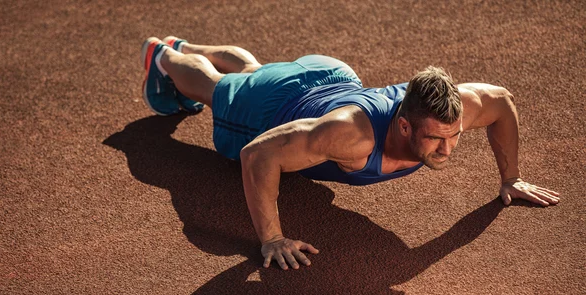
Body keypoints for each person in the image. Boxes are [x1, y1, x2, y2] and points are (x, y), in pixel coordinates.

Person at [140, 36, 560, 270]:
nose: (447, 149)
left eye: (455, 136)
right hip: (277, 109)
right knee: (218, 91)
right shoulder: (353, 136)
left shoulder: (454, 111)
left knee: (254, 76)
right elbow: (257, 156)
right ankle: (164, 55)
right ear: (404, 125)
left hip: (334, 76)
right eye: (435, 139)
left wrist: (511, 177)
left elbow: (501, 100)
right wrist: (271, 239)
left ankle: (190, 46)